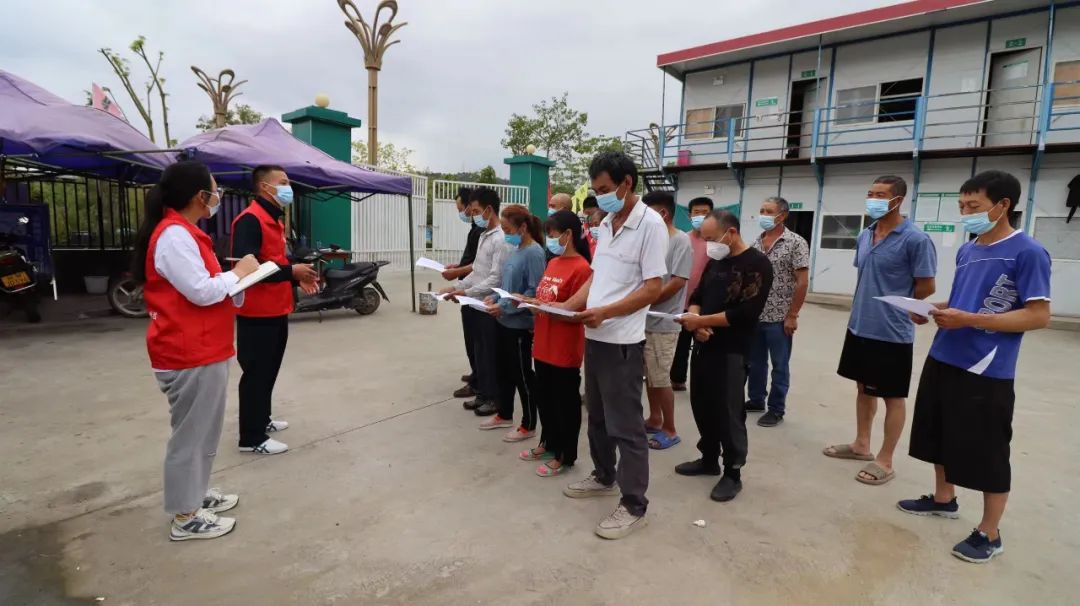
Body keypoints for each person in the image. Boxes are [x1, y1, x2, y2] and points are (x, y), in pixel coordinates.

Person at [898, 171, 1051, 564]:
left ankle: (990, 532)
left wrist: (969, 320)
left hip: (986, 367)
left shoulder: (1028, 252)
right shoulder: (969, 249)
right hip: (945, 354)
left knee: (987, 450)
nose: (966, 213)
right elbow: (963, 299)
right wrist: (933, 309)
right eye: (962, 206)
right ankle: (943, 499)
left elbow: (1038, 315)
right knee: (938, 433)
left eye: (974, 206)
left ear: (1003, 205)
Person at [131, 161, 261, 540]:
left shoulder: (186, 233)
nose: (218, 197)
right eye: (215, 191)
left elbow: (207, 285)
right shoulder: (174, 236)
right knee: (190, 437)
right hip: (188, 352)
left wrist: (238, 280)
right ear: (200, 196)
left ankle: (196, 493)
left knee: (204, 432)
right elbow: (201, 291)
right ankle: (185, 516)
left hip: (205, 347)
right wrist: (238, 274)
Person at [556, 151, 667, 540]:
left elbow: (652, 289)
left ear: (626, 184)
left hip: (622, 342)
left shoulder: (650, 225)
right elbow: (596, 275)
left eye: (604, 188)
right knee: (598, 418)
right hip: (595, 337)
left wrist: (606, 312)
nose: (600, 196)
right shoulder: (606, 223)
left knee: (626, 426)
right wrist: (567, 307)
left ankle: (634, 504)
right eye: (596, 189)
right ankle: (604, 475)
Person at [824, 175, 937, 485]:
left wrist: (909, 308)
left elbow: (927, 285)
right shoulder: (866, 234)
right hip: (860, 325)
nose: (873, 199)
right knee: (863, 388)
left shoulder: (916, 239)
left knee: (892, 396)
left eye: (880, 194)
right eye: (870, 193)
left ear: (897, 200)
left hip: (891, 332)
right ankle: (861, 445)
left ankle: (885, 459)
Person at [675, 210, 773, 502]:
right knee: (701, 404)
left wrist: (703, 322)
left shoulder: (757, 264)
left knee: (729, 412)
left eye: (711, 238)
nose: (708, 245)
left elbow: (746, 312)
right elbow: (697, 296)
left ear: (730, 233)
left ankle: (733, 472)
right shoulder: (716, 261)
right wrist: (696, 321)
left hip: (733, 350)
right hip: (704, 345)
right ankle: (708, 458)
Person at [230, 165, 319, 455]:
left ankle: (262, 419)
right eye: (283, 182)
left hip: (277, 308)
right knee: (256, 373)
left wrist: (296, 277)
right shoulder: (250, 220)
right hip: (257, 313)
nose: (287, 187)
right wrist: (292, 271)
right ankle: (251, 438)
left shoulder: (273, 219)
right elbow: (249, 267)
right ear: (264, 187)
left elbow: (276, 262)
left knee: (269, 370)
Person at [523, 210, 593, 477]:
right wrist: (530, 303)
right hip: (543, 343)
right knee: (545, 398)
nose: (549, 239)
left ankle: (565, 454)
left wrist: (543, 306)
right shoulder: (553, 263)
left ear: (567, 235)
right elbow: (545, 298)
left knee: (565, 403)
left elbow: (577, 312)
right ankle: (548, 442)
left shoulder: (583, 268)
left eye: (552, 234)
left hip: (564, 347)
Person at [440, 187, 507, 415]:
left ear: (489, 210)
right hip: (475, 303)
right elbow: (477, 271)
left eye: (476, 211)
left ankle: (494, 398)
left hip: (487, 304)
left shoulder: (500, 239)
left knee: (489, 354)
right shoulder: (484, 236)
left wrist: (466, 293)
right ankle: (483, 394)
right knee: (479, 353)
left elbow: (495, 278)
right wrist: (456, 288)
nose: (473, 215)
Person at [481, 205, 546, 438]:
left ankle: (529, 424)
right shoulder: (516, 249)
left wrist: (505, 306)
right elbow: (508, 287)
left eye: (508, 229)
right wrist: (495, 297)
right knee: (504, 372)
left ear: (523, 227)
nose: (505, 234)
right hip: (504, 322)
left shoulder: (534, 253)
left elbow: (533, 292)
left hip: (519, 325)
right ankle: (504, 413)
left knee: (522, 375)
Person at [746, 196, 809, 427]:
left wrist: (792, 315)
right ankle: (756, 399)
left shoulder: (795, 242)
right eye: (762, 210)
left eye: (768, 211)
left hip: (780, 317)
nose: (763, 215)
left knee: (780, 365)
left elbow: (802, 282)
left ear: (782, 215)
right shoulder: (756, 242)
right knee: (755, 363)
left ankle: (776, 409)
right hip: (756, 315)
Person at [642, 191, 692, 450]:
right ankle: (654, 418)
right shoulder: (653, 239)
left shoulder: (680, 240)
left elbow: (677, 281)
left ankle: (670, 429)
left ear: (662, 213)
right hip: (643, 320)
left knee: (661, 378)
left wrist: (645, 300)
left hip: (663, 323)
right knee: (650, 376)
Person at [442, 187, 482, 399]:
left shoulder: (482, 232)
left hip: (475, 291)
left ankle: (479, 382)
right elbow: (471, 261)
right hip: (467, 286)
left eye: (462, 209)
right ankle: (476, 374)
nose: (462, 214)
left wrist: (457, 273)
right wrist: (457, 267)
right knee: (471, 338)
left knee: (476, 340)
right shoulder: (476, 230)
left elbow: (479, 266)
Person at [670, 196, 713, 392]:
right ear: (689, 215)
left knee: (704, 344)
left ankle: (703, 383)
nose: (700, 216)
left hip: (706, 303)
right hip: (682, 301)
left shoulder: (715, 242)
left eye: (705, 213)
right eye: (697, 212)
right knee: (681, 344)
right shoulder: (682, 239)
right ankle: (677, 379)